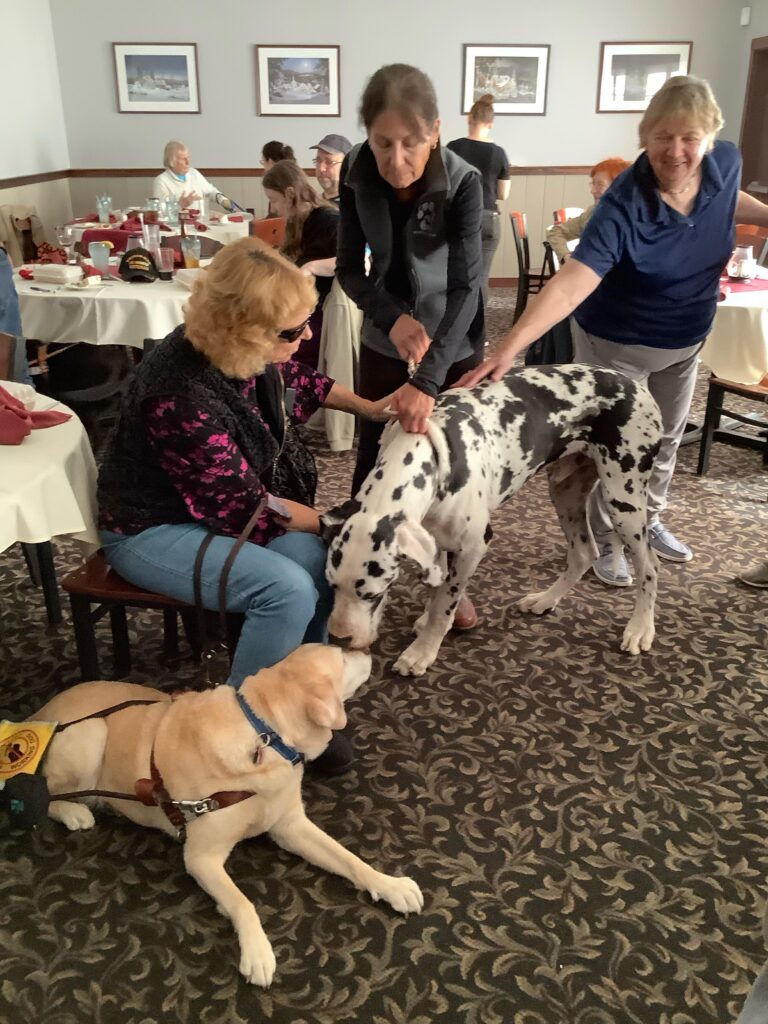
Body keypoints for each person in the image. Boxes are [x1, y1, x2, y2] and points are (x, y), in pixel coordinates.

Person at [459, 74, 768, 587]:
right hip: (615, 343)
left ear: (709, 139)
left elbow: (729, 198)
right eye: (662, 137)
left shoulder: (725, 164)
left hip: (685, 341)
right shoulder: (623, 203)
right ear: (644, 137)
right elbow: (572, 282)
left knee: (666, 439)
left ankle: (647, 521)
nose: (675, 151)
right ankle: (606, 541)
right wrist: (510, 347)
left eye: (690, 138)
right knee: (609, 446)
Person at [97, 238, 392, 773]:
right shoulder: (178, 394)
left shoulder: (244, 352)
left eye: (306, 322)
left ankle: (303, 701)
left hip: (210, 509)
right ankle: (240, 731)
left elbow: (301, 383)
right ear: (241, 329)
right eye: (292, 331)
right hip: (147, 528)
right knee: (285, 588)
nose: (306, 337)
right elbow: (250, 511)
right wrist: (341, 522)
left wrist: (371, 408)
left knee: (316, 565)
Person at [336, 62, 484, 629]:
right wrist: (392, 317)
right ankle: (353, 570)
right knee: (374, 453)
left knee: (455, 470)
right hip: (384, 329)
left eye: (411, 143)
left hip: (453, 338)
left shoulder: (464, 182)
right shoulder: (354, 170)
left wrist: (427, 380)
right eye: (382, 143)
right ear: (366, 135)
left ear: (437, 131)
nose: (396, 161)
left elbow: (470, 288)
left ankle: (450, 585)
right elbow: (350, 270)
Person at [262, 160, 340, 366]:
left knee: (270, 348)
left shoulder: (327, 219)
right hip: (303, 309)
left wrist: (311, 267)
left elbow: (358, 260)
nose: (273, 207)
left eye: (274, 200)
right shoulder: (298, 220)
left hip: (321, 315)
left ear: (289, 194)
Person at [447, 94, 510, 302]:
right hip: (489, 218)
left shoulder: (453, 148)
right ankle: (479, 332)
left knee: (457, 276)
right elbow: (503, 194)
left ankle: (456, 328)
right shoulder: (499, 153)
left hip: (460, 217)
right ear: (490, 124)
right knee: (481, 278)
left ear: (469, 119)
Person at [545, 157, 631, 262]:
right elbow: (555, 231)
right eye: (593, 184)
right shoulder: (592, 213)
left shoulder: (637, 221)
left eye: (600, 184)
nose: (593, 191)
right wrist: (565, 256)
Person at [153, 141, 235, 212]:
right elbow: (160, 212)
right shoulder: (161, 181)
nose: (188, 162)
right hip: (177, 227)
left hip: (201, 223)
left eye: (188, 157)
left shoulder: (194, 173)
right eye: (183, 159)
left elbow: (210, 191)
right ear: (172, 162)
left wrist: (222, 200)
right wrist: (180, 205)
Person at [310, 134, 353, 204]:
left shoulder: (356, 207)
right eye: (318, 161)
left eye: (330, 162)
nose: (321, 169)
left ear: (347, 165)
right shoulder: (312, 206)